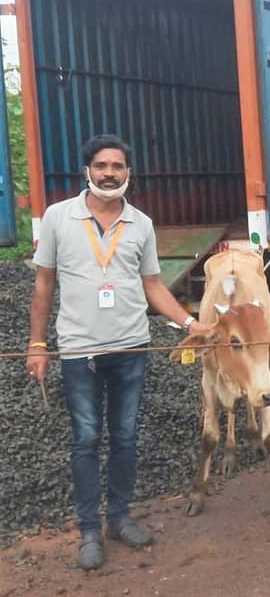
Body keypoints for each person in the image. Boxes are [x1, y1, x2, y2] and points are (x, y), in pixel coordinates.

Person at [26, 134, 213, 571]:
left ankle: (120, 517)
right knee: (87, 439)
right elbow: (43, 286)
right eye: (101, 165)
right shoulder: (57, 218)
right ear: (87, 171)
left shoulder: (141, 224)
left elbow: (152, 286)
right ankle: (89, 530)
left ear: (129, 173)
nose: (109, 173)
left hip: (131, 347)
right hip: (79, 352)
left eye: (118, 166)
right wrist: (37, 345)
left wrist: (190, 323)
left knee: (126, 437)